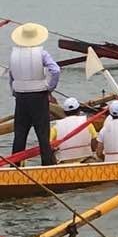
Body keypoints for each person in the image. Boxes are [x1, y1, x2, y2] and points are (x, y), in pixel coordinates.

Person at [8, 22, 60, 165]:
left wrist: (14, 91)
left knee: (19, 133)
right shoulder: (41, 53)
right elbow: (55, 70)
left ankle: (15, 166)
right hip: (38, 96)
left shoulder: (14, 54)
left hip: (20, 97)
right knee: (43, 133)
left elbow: (12, 76)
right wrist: (49, 87)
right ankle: (47, 166)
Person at [49, 97, 95, 163]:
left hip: (64, 163)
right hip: (85, 161)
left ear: (64, 112)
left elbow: (49, 147)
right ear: (79, 110)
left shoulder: (55, 126)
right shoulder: (86, 123)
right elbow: (94, 146)